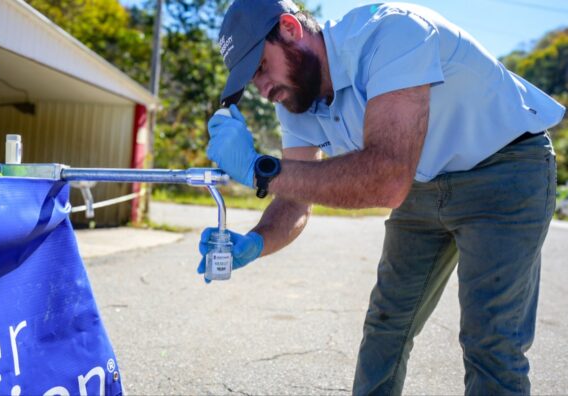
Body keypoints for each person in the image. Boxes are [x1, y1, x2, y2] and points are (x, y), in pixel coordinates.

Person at [197, 0, 566, 394]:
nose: (264, 89)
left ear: (289, 28)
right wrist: (256, 241)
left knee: (491, 339)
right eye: (252, 81)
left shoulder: (392, 34)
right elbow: (294, 197)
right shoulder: (296, 100)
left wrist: (259, 170)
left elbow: (387, 180)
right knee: (387, 324)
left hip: (503, 168)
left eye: (261, 68)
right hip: (422, 181)